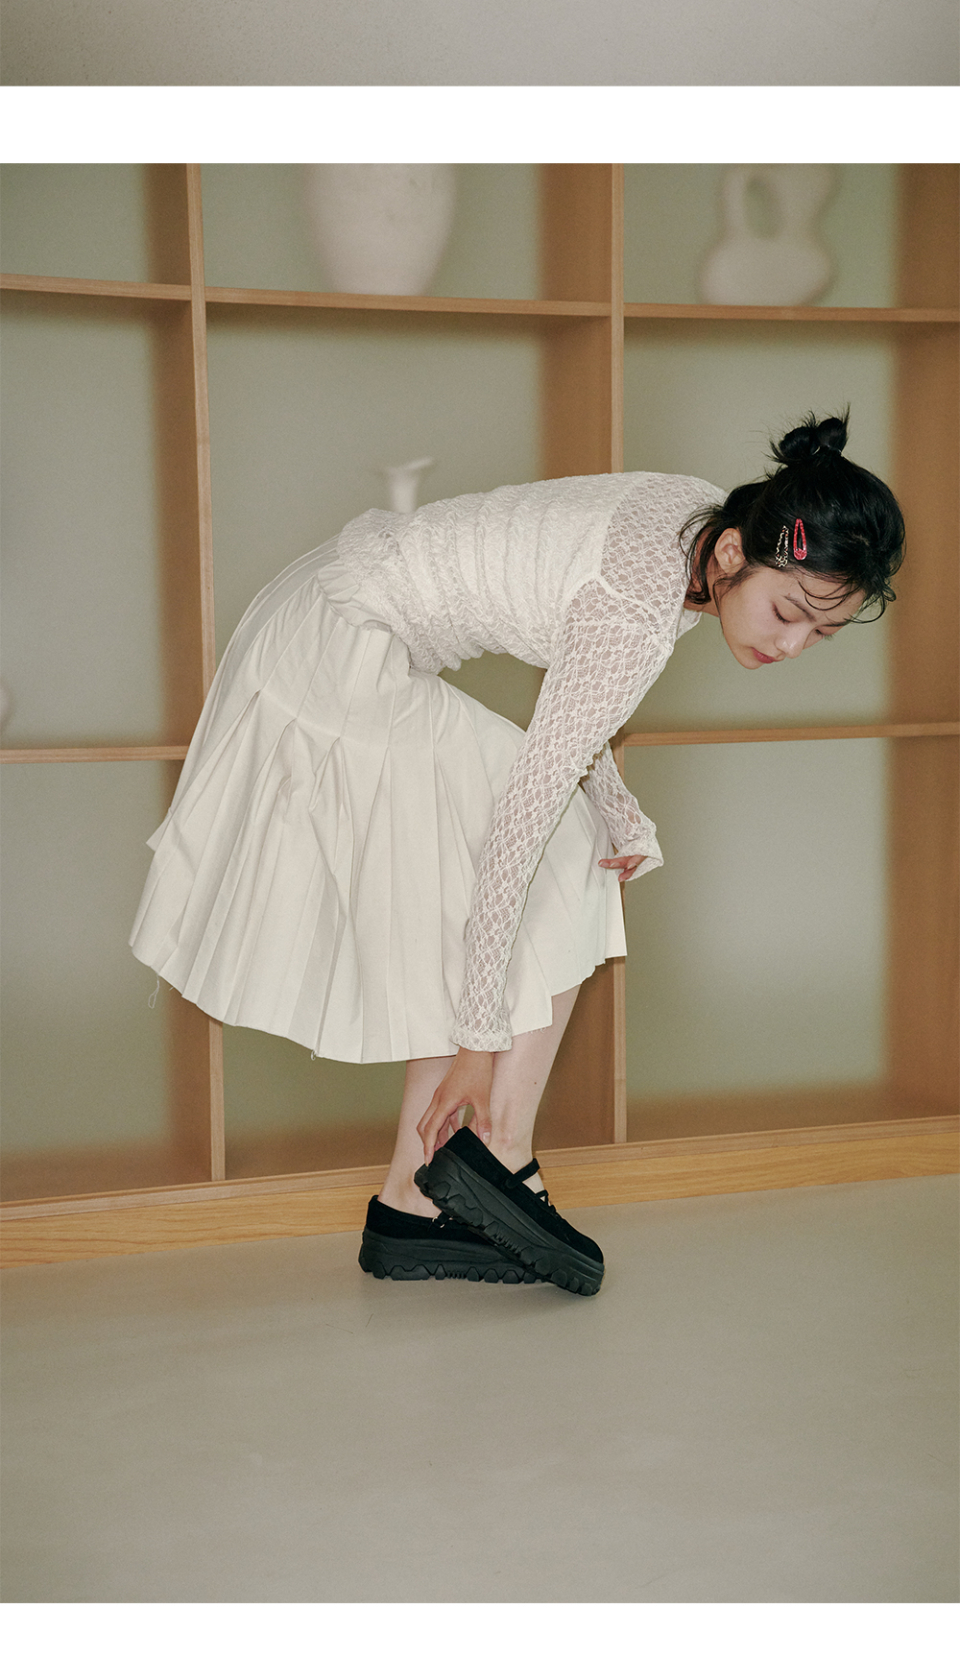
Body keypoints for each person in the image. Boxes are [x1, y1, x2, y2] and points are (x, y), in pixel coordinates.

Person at [127, 414, 905, 1294]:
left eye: (821, 634)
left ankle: (413, 1201)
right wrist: (476, 1044)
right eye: (789, 612)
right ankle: (493, 1152)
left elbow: (574, 691)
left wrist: (620, 813)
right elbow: (532, 796)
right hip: (341, 643)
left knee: (552, 849)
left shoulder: (701, 517)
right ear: (732, 555)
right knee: (540, 848)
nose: (790, 645)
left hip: (326, 606)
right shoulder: (640, 608)